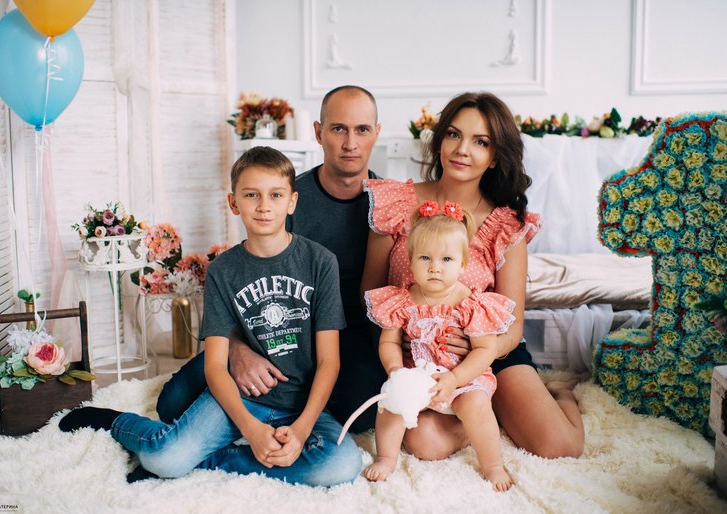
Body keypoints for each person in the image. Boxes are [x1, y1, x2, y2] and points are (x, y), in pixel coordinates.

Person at [60, 147, 362, 486]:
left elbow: (329, 362)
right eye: (252, 195)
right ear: (233, 203)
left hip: (302, 403)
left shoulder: (320, 262)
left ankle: (213, 459)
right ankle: (116, 422)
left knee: (341, 466)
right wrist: (251, 429)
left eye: (276, 195)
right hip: (242, 398)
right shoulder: (224, 270)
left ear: (292, 202)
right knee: (166, 457)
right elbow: (216, 366)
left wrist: (303, 428)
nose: (264, 206)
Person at [361, 91, 585, 460]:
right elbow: (371, 294)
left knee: (561, 446)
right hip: (417, 357)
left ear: (495, 156)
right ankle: (482, 414)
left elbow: (512, 327)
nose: (462, 149)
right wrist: (399, 345)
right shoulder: (396, 203)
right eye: (453, 134)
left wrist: (478, 351)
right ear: (440, 141)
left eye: (480, 142)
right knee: (426, 443)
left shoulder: (506, 225)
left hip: (488, 353)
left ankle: (557, 393)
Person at [155, 85, 387, 433]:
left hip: (348, 336)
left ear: (376, 133)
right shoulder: (284, 199)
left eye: (362, 130)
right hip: (273, 326)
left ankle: (294, 413)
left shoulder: (390, 202)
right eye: (339, 128)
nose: (350, 143)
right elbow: (246, 276)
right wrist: (236, 349)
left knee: (365, 411)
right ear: (319, 132)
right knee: (172, 404)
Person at [363, 204, 515, 491]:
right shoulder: (402, 300)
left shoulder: (471, 303)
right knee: (391, 400)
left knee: (475, 404)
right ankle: (386, 458)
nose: (435, 267)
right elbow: (389, 341)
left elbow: (485, 350)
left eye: (446, 259)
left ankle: (493, 465)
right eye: (425, 258)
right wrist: (396, 371)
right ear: (411, 261)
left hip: (462, 378)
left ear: (462, 263)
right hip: (418, 378)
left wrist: (455, 379)